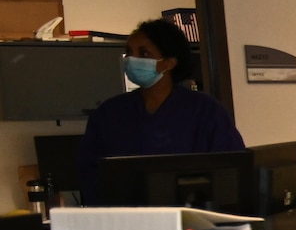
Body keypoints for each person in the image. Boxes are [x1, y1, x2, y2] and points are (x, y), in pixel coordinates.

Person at [77, 19, 244, 203]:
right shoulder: (109, 114)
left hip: (191, 221)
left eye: (144, 53)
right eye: (129, 53)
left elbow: (232, 171)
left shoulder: (205, 111)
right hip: (126, 223)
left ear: (168, 63)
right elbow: (90, 173)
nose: (133, 60)